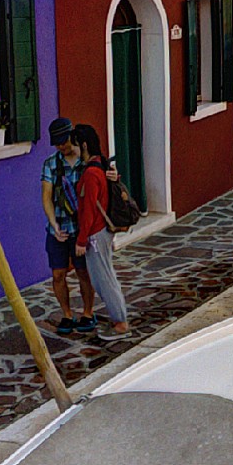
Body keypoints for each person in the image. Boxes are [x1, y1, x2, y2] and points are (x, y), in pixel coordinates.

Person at [68, 124, 129, 335]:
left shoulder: (91, 174)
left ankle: (119, 322)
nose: (72, 151)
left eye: (74, 146)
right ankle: (118, 317)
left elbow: (88, 210)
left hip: (95, 234)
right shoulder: (100, 166)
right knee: (106, 275)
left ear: (83, 145)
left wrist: (81, 240)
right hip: (100, 233)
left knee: (102, 278)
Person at [39, 117, 92, 335]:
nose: (62, 146)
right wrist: (53, 224)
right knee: (58, 274)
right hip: (59, 229)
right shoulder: (51, 164)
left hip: (81, 229)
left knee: (83, 272)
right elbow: (46, 196)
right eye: (58, 143)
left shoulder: (86, 161)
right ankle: (67, 314)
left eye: (65, 141)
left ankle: (88, 313)